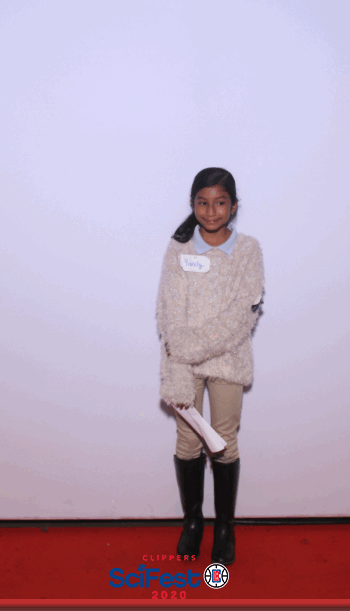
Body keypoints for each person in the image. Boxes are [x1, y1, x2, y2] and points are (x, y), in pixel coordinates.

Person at [156, 167, 264, 566]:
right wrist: (180, 357)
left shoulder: (248, 250)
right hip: (183, 364)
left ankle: (224, 528)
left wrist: (188, 347)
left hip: (228, 360)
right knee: (187, 443)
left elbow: (241, 316)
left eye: (220, 202)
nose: (211, 210)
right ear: (193, 204)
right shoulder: (178, 249)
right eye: (203, 202)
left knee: (224, 441)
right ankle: (193, 522)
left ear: (234, 206)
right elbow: (169, 310)